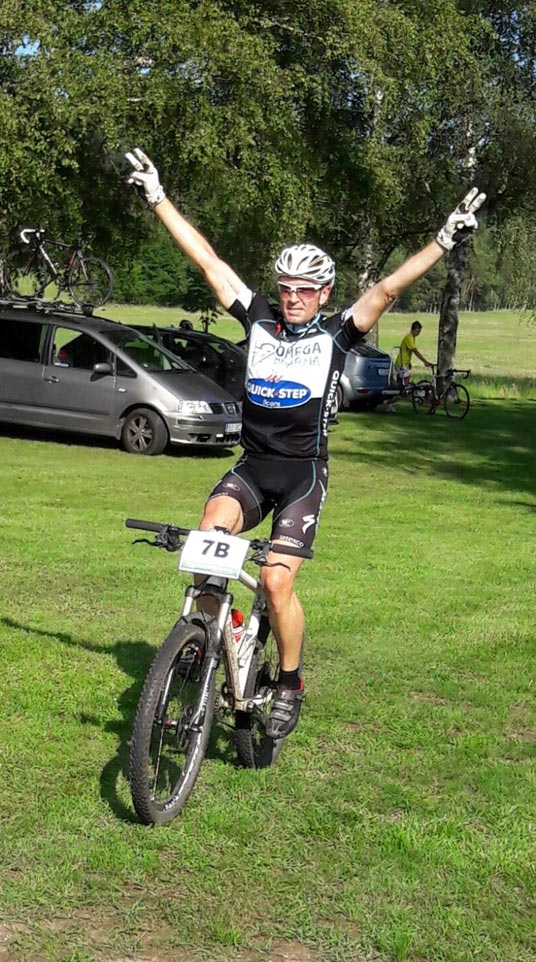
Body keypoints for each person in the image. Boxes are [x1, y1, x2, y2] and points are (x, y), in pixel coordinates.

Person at [124, 147, 484, 740]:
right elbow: (209, 261)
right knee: (208, 543)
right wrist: (159, 199)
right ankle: (206, 645)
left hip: (302, 476)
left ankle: (289, 681)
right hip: (252, 467)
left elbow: (387, 288)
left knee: (275, 581)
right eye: (287, 287)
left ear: (324, 293)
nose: (293, 297)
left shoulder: (337, 335)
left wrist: (443, 241)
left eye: (306, 290)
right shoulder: (259, 319)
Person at [384, 320, 434, 412]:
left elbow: (407, 352)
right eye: (418, 331)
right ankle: (390, 402)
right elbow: (414, 351)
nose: (419, 333)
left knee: (402, 387)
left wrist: (409, 362)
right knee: (405, 388)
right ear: (414, 329)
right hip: (401, 365)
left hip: (404, 364)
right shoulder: (409, 338)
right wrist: (425, 361)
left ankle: (390, 403)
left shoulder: (412, 338)